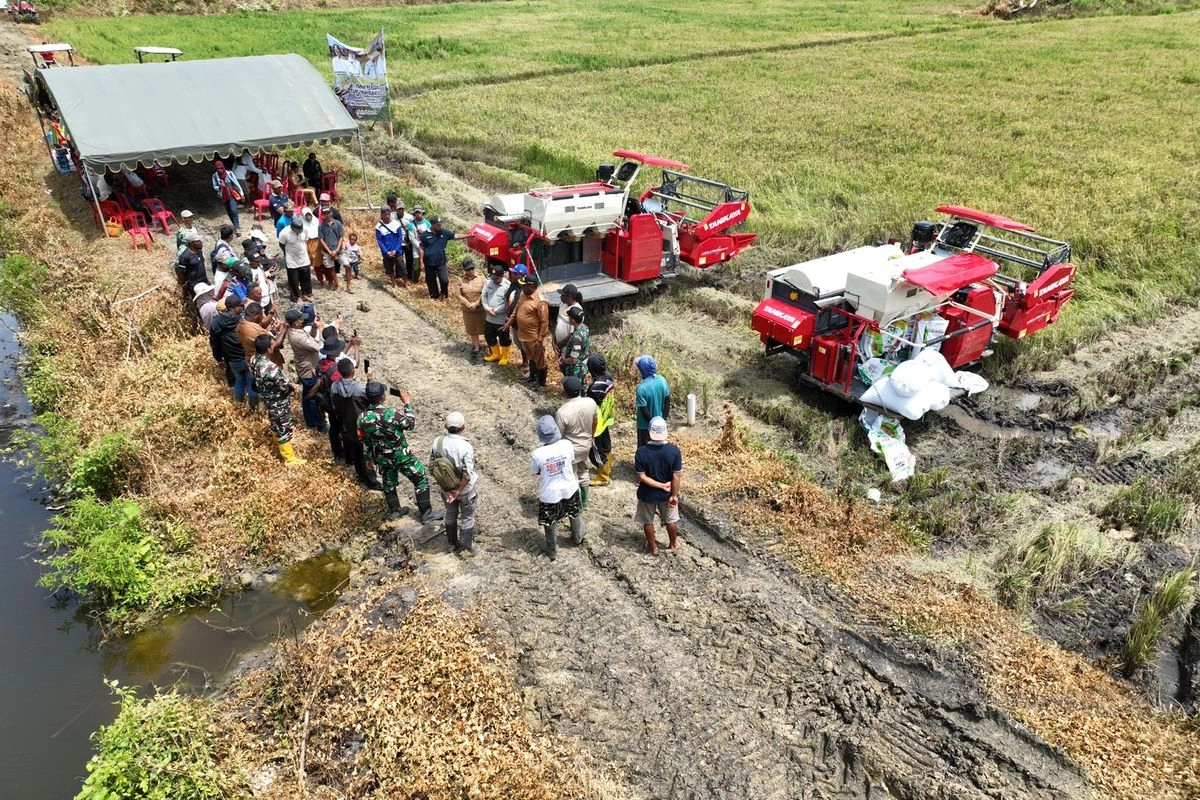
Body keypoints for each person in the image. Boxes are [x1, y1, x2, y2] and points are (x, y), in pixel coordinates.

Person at [358, 381, 444, 523]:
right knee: (420, 477)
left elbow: (364, 440)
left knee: (388, 482)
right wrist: (407, 404)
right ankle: (426, 513)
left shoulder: (362, 418)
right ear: (383, 397)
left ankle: (395, 510)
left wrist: (368, 458)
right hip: (401, 455)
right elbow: (410, 424)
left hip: (382, 457)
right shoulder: (391, 414)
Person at [530, 415, 581, 560]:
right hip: (569, 486)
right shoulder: (567, 444)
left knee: (549, 521)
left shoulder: (538, 454)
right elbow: (571, 460)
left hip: (549, 493)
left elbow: (534, 471)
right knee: (574, 512)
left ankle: (552, 550)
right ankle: (577, 536)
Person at [249, 334, 304, 465]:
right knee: (283, 427)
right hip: (278, 401)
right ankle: (289, 459)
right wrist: (295, 389)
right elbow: (284, 385)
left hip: (266, 397)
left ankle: (276, 442)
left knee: (275, 422)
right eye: (272, 345)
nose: (274, 347)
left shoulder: (253, 359)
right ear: (269, 349)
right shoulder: (270, 367)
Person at [430, 411, 478, 555]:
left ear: (445, 426)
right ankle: (466, 548)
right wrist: (457, 490)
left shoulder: (437, 442)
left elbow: (432, 466)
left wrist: (447, 487)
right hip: (464, 490)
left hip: (445, 489)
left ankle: (452, 543)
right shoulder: (465, 447)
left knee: (450, 513)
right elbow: (467, 474)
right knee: (467, 517)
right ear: (463, 428)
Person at [634, 416, 683, 555]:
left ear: (650, 431)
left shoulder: (641, 452)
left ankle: (653, 547)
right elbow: (676, 476)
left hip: (646, 494)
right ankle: (673, 544)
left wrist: (659, 485)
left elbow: (642, 477)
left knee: (648, 521)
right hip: (667, 494)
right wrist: (673, 495)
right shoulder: (674, 451)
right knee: (670, 520)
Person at [331, 358, 381, 490]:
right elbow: (373, 400)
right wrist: (370, 380)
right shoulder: (359, 389)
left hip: (346, 426)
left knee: (356, 454)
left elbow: (334, 405)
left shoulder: (334, 387)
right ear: (353, 372)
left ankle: (361, 477)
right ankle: (372, 482)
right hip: (361, 428)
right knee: (366, 455)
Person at [555, 375, 597, 537]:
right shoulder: (590, 402)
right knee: (584, 472)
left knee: (571, 478)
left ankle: (576, 506)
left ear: (565, 392)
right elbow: (595, 422)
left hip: (570, 450)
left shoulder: (562, 412)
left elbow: (558, 436)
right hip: (586, 445)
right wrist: (590, 437)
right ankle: (585, 501)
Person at [208, 294, 258, 407]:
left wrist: (219, 359)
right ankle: (253, 408)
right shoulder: (243, 320)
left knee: (239, 381)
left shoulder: (216, 323)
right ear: (235, 308)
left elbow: (214, 344)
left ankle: (239, 406)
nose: (243, 307)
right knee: (251, 383)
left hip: (232, 360)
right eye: (241, 305)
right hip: (247, 357)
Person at [285, 308, 328, 432]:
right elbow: (318, 347)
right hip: (309, 372)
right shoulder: (298, 337)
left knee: (307, 397)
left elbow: (310, 338)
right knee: (314, 399)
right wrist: (320, 330)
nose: (303, 321)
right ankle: (319, 424)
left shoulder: (296, 331)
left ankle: (309, 421)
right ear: (295, 322)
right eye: (301, 319)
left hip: (304, 369)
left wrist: (314, 328)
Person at [508, 275, 549, 385]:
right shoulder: (523, 294)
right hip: (523, 334)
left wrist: (540, 339)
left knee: (539, 359)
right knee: (530, 357)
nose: (522, 288)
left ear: (532, 287)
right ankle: (532, 376)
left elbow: (544, 322)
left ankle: (541, 383)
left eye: (524, 286)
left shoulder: (540, 301)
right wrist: (509, 323)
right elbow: (517, 309)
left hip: (534, 337)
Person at [311, 337, 346, 461]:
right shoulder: (336, 370)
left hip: (325, 401)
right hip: (336, 403)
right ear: (335, 353)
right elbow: (342, 388)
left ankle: (336, 452)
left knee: (333, 427)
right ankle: (344, 453)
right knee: (342, 428)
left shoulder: (320, 364)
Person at [585, 353, 616, 486]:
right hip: (606, 418)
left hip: (597, 422)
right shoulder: (608, 377)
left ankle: (603, 477)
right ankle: (608, 469)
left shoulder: (594, 387)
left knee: (596, 450)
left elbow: (590, 405)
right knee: (606, 445)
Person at [634, 354, 670, 447]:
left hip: (645, 426)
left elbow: (644, 410)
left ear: (642, 370)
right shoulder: (662, 380)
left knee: (644, 449)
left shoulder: (641, 388)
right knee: (659, 448)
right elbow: (667, 403)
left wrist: (651, 425)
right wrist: (662, 422)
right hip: (660, 425)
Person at [481, 264, 512, 366]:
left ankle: (504, 356)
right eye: (493, 278)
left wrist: (496, 310)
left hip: (501, 318)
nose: (494, 280)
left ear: (502, 276)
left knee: (504, 338)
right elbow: (484, 296)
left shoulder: (507, 286)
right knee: (489, 336)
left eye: (497, 278)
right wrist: (486, 308)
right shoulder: (489, 282)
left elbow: (506, 303)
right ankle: (496, 354)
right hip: (489, 317)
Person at [237, 301, 285, 368]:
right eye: (261, 316)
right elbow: (275, 346)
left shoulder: (240, 324)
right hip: (269, 364)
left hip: (254, 360)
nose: (262, 318)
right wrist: (285, 328)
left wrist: (272, 311)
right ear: (255, 316)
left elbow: (262, 324)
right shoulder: (256, 331)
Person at [419, 216, 455, 300]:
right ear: (433, 225)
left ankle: (443, 293)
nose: (440, 226)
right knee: (431, 281)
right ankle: (435, 296)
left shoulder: (444, 233)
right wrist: (421, 262)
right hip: (429, 262)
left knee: (444, 280)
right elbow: (421, 249)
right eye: (438, 225)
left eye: (440, 224)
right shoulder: (424, 235)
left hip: (441, 262)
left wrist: (469, 235)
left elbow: (455, 236)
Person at [455, 260, 486, 359]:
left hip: (481, 308)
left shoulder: (481, 277)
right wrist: (469, 304)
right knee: (472, 328)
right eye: (468, 269)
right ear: (464, 270)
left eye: (472, 268)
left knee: (485, 327)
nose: (471, 271)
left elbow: (485, 292)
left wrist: (477, 303)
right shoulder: (460, 280)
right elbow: (458, 295)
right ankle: (476, 346)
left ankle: (489, 346)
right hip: (469, 310)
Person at [277, 216, 312, 300]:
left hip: (303, 257)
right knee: (294, 279)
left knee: (305, 277)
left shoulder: (305, 230)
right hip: (291, 259)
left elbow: (306, 241)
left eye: (301, 229)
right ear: (292, 228)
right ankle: (296, 297)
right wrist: (288, 252)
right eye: (298, 230)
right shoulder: (285, 233)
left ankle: (306, 294)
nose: (300, 231)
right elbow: (282, 245)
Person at [317, 200, 345, 292]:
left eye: (328, 213)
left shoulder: (337, 223)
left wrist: (336, 250)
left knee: (347, 265)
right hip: (327, 251)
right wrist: (329, 252)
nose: (327, 215)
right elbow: (321, 240)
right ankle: (337, 285)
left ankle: (349, 284)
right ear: (323, 215)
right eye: (325, 213)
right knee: (331, 268)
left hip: (338, 249)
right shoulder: (321, 226)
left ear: (331, 213)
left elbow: (341, 237)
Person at [374, 206, 405, 288]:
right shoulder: (378, 227)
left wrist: (396, 249)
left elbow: (400, 238)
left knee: (401, 265)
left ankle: (405, 282)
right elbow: (380, 241)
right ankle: (394, 283)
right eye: (385, 214)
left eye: (388, 214)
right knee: (389, 268)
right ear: (381, 215)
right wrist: (386, 251)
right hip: (387, 251)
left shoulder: (396, 224)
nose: (387, 216)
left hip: (397, 250)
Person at [552, 284, 583, 358]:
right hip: (558, 345)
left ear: (569, 297)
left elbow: (572, 334)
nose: (560, 297)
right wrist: (553, 341)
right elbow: (557, 322)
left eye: (562, 295)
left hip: (566, 347)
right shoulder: (562, 305)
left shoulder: (576, 311)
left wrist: (559, 346)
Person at [211, 160, 243, 230]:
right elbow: (215, 186)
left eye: (221, 168)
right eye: (217, 168)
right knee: (229, 211)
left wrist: (241, 193)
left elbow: (236, 183)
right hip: (224, 196)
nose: (219, 170)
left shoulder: (229, 173)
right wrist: (220, 186)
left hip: (232, 194)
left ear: (223, 167)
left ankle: (237, 227)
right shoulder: (215, 176)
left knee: (233, 210)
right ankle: (235, 225)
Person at [560, 306, 590, 379]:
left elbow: (573, 360)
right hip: (583, 364)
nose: (568, 318)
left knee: (574, 388)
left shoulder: (576, 338)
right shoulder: (584, 327)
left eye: (569, 317)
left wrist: (564, 360)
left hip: (575, 370)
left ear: (573, 320)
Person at [176, 231, 208, 296]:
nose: (200, 243)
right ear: (191, 243)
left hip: (204, 281)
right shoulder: (184, 257)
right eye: (198, 241)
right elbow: (181, 274)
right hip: (194, 286)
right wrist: (184, 288)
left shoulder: (199, 251)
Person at [300, 207, 323, 287]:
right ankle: (305, 281)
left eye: (310, 215)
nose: (309, 217)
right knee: (306, 263)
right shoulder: (302, 224)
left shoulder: (316, 221)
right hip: (307, 243)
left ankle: (320, 279)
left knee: (317, 262)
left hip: (317, 242)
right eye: (307, 216)